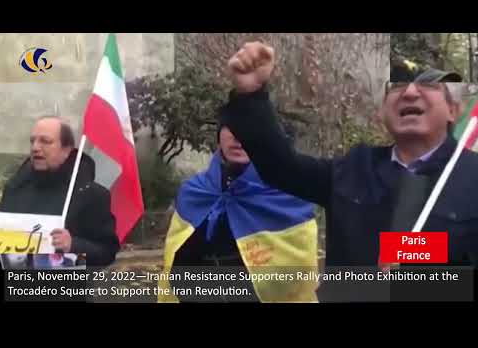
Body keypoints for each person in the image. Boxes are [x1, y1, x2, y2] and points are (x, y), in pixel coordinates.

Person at [219, 42, 478, 301]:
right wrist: (250, 94)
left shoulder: (471, 176)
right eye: (396, 86)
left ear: (453, 110)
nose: (409, 91)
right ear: (382, 112)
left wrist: (415, 260)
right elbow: (281, 168)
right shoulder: (354, 168)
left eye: (429, 86)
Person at [157, 119, 318, 303]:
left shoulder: (289, 193)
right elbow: (174, 260)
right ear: (219, 138)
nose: (238, 137)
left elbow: (299, 271)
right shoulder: (194, 191)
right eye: (231, 128)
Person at [0, 116, 119, 267]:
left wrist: (73, 246)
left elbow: (107, 253)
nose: (35, 147)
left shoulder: (91, 195)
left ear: (67, 150)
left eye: (45, 141)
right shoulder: (15, 188)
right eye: (32, 141)